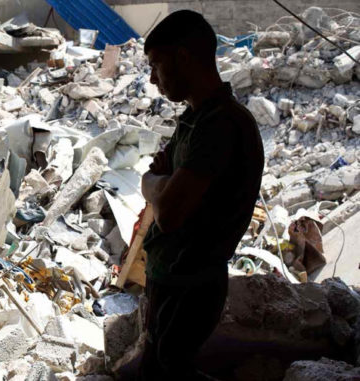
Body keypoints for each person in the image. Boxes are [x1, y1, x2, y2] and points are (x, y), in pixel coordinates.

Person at [137, 10, 264, 380]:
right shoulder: (194, 120)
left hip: (190, 285)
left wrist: (155, 186)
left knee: (171, 371)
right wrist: (158, 183)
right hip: (171, 279)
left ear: (182, 58)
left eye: (157, 65)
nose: (152, 78)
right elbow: (157, 179)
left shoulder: (220, 125)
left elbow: (169, 211)